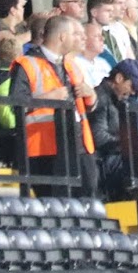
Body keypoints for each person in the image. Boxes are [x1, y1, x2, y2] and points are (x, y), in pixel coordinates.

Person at [8, 14, 96, 196]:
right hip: (44, 148)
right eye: (75, 34)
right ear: (62, 37)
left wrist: (91, 96)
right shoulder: (26, 64)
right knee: (53, 201)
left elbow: (86, 106)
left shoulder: (71, 65)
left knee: (88, 197)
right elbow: (16, 105)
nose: (80, 38)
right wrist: (48, 98)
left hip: (79, 143)